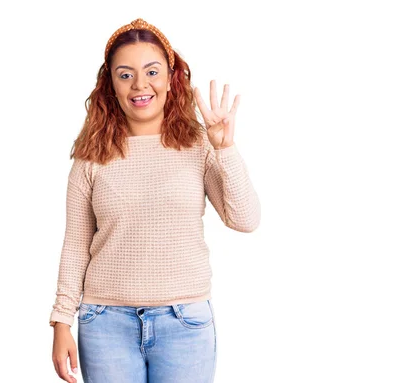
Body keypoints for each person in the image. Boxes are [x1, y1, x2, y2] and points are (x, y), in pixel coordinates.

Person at [49, 18, 260, 383]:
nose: (140, 85)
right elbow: (76, 244)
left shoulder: (199, 146)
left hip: (185, 324)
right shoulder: (91, 157)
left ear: (171, 76)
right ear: (110, 84)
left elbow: (245, 219)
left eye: (151, 71)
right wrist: (61, 320)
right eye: (125, 74)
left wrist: (225, 148)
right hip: (105, 324)